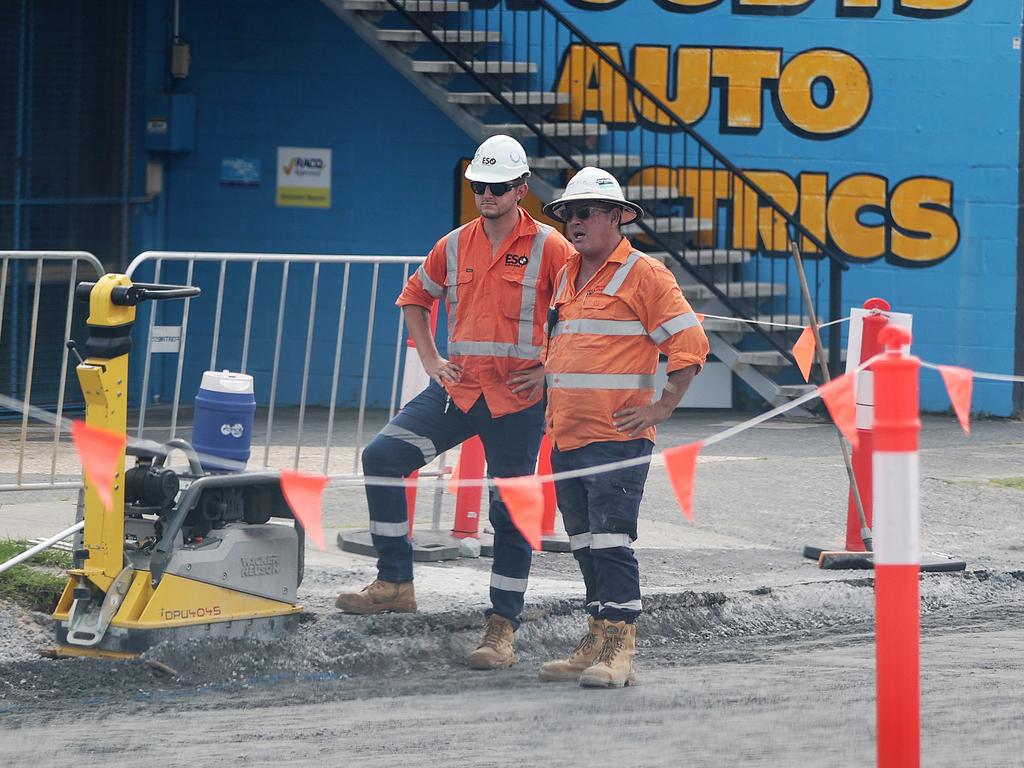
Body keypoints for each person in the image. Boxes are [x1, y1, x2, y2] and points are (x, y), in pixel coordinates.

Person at [335, 135, 574, 671]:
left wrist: (548, 367)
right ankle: (395, 582)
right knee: (383, 458)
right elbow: (414, 299)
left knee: (509, 511)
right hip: (459, 390)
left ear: (520, 189)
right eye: (478, 185)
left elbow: (578, 312)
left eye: (496, 186)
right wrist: (430, 359)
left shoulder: (552, 247)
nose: (485, 194)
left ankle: (502, 628)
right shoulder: (454, 244)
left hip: (517, 398)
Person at [537, 167, 709, 688]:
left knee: (611, 542)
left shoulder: (646, 275)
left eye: (586, 211)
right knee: (585, 543)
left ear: (617, 217)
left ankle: (621, 647)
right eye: (569, 212)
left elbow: (690, 344)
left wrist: (662, 407)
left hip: (617, 439)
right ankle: (596, 636)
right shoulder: (567, 273)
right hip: (566, 434)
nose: (575, 221)